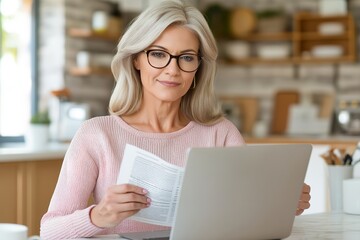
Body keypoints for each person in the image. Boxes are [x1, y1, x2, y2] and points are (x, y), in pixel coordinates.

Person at [40, 1, 311, 239]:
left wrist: (280, 204)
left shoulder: (220, 133)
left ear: (198, 68)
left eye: (186, 58)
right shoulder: (96, 134)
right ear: (136, 59)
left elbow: (243, 218)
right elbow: (50, 231)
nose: (172, 70)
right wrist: (98, 216)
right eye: (158, 54)